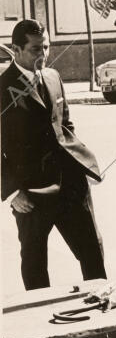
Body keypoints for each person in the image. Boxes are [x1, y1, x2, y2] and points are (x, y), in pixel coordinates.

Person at [1, 19, 106, 290]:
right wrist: (12, 192)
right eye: (36, 49)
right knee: (35, 264)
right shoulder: (2, 88)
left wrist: (86, 164)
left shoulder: (53, 77)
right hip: (31, 194)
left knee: (92, 254)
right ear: (16, 49)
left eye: (46, 47)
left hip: (71, 187)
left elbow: (66, 127)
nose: (44, 55)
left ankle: (102, 317)